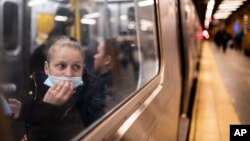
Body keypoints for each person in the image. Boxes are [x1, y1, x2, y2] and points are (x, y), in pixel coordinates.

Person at [8, 36, 105, 141]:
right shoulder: (38, 87)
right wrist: (23, 111)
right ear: (47, 68)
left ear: (83, 69)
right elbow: (35, 115)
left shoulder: (87, 99)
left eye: (76, 67)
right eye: (61, 66)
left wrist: (48, 108)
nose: (68, 74)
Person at [94, 38, 121, 110]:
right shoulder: (113, 79)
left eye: (97, 52)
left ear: (107, 60)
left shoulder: (105, 86)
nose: (94, 56)